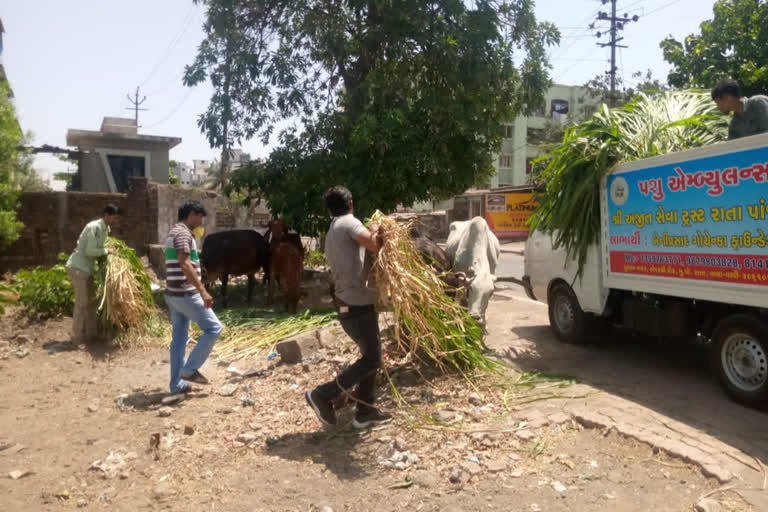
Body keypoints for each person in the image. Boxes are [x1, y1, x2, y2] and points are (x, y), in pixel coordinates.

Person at [305, 186, 392, 429]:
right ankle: (323, 394)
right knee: (373, 359)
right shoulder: (349, 223)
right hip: (356, 304)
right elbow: (375, 244)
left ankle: (365, 412)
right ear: (351, 203)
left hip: (351, 302)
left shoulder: (335, 226)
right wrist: (375, 229)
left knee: (370, 357)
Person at [164, 200, 222, 394]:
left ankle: (176, 385)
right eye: (199, 217)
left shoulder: (174, 231)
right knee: (214, 328)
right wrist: (202, 290)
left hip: (174, 295)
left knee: (179, 341)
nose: (200, 221)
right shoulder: (182, 233)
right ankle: (189, 370)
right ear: (191, 214)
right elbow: (185, 263)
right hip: (186, 293)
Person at [66, 204, 120, 344]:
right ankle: (76, 338)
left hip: (87, 269)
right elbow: (90, 250)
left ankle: (92, 334)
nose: (115, 221)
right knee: (81, 302)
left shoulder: (106, 229)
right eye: (114, 218)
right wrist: (107, 251)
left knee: (91, 302)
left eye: (116, 218)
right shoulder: (94, 227)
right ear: (106, 215)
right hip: (78, 268)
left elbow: (98, 248)